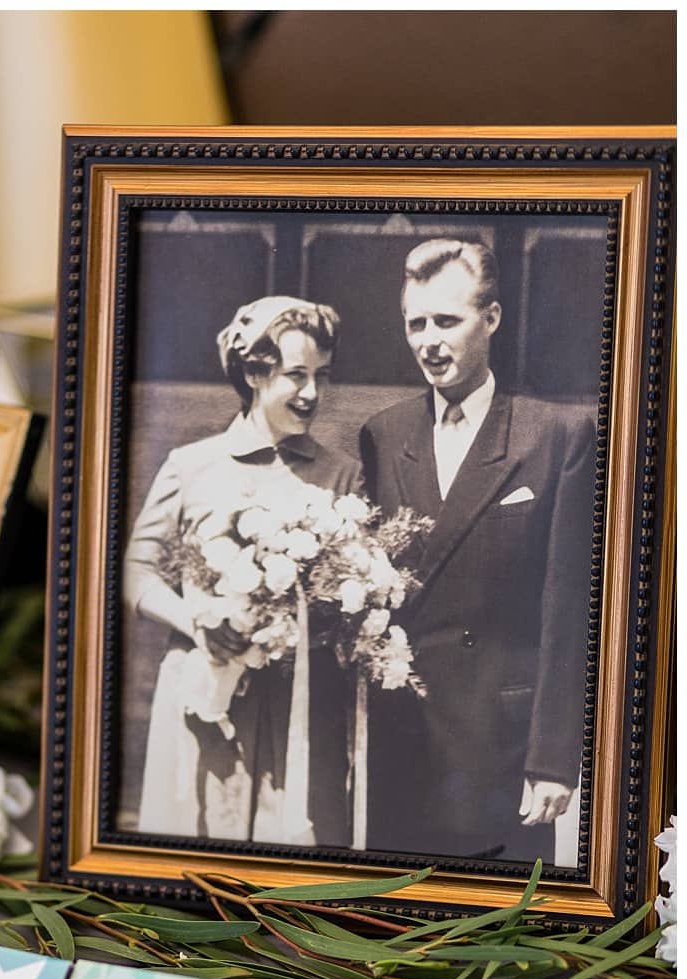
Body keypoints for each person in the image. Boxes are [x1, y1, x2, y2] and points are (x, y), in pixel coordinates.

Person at [356, 240, 596, 864]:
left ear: (489, 319)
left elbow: (566, 609)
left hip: (501, 745)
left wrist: (551, 759)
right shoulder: (384, 435)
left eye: (447, 320)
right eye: (416, 323)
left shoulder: (554, 434)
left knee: (499, 945)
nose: (429, 341)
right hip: (402, 737)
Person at [124, 295, 358, 845]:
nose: (312, 394)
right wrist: (196, 620)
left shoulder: (340, 474)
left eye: (322, 377)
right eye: (296, 375)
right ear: (255, 372)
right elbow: (134, 571)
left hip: (297, 701)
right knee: (201, 844)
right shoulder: (191, 465)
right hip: (207, 691)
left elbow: (350, 586)